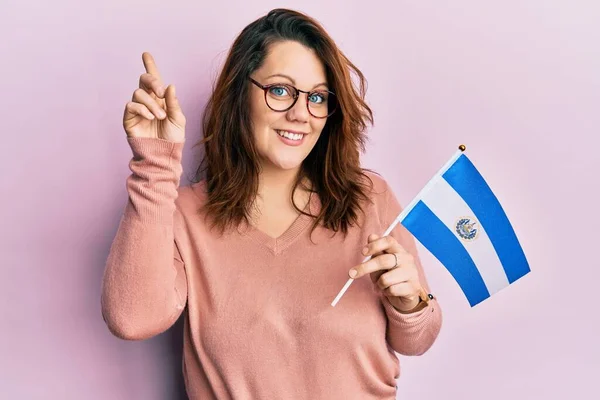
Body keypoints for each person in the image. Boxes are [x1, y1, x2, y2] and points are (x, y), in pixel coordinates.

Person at [101, 8, 442, 400]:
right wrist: (155, 164)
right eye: (280, 90)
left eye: (317, 97)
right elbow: (132, 318)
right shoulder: (184, 216)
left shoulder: (369, 199)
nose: (301, 114)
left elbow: (417, 340)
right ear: (239, 94)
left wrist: (412, 301)